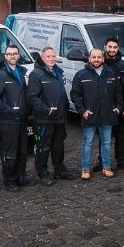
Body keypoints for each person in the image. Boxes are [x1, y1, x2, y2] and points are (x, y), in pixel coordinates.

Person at [0, 44, 33, 192]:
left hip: (22, 119)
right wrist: (8, 110)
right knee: (9, 151)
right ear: (5, 56)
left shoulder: (21, 71)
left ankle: (21, 176)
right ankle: (9, 180)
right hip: (8, 120)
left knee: (22, 151)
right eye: (9, 54)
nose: (12, 56)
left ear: (18, 56)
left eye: (15, 53)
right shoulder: (1, 75)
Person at [71, 49, 123, 180]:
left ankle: (107, 167)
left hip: (108, 115)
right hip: (90, 115)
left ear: (103, 59)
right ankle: (85, 169)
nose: (96, 59)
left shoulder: (111, 74)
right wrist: (82, 111)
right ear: (89, 59)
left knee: (106, 142)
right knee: (87, 143)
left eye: (99, 57)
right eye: (93, 57)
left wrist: (118, 108)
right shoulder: (81, 75)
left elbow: (118, 93)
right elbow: (75, 95)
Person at [27, 47, 77, 185]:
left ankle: (60, 169)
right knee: (43, 147)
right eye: (48, 56)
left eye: (53, 56)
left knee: (58, 145)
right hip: (44, 119)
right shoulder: (36, 74)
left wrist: (65, 108)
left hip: (59, 118)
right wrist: (45, 109)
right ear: (42, 58)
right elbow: (32, 97)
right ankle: (43, 173)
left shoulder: (58, 71)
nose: (51, 59)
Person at [103, 37, 124, 171]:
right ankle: (102, 161)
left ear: (118, 48)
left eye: (115, 47)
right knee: (104, 137)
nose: (112, 50)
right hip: (103, 107)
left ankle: (122, 160)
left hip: (120, 106)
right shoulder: (99, 63)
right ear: (105, 47)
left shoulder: (123, 65)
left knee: (121, 136)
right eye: (110, 47)